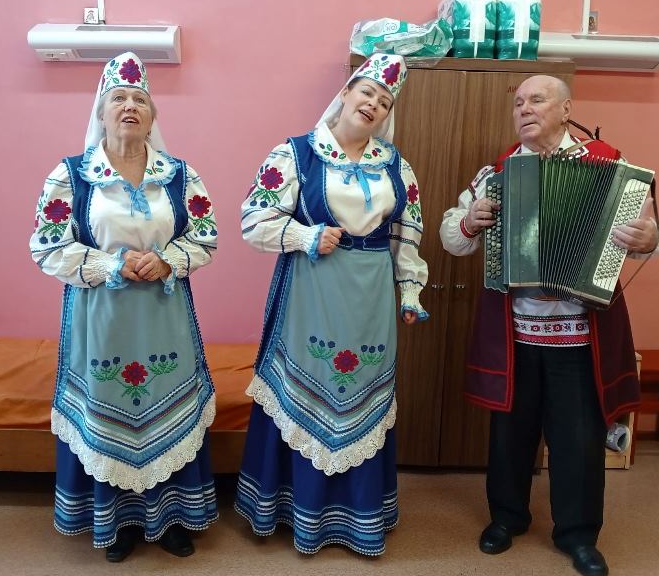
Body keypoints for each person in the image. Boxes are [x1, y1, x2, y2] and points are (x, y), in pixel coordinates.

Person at [440, 75, 659, 576]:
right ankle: (507, 518)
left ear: (566, 109)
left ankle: (579, 535)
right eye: (518, 102)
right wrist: (469, 220)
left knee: (579, 437)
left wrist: (650, 237)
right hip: (515, 332)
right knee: (510, 433)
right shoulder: (496, 174)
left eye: (537, 99)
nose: (524, 109)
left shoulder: (609, 165)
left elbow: (650, 237)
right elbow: (452, 238)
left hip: (580, 334)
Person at [235, 54, 429, 555]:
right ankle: (293, 510)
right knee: (306, 384)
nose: (374, 104)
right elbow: (254, 220)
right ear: (345, 94)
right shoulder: (295, 153)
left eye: (384, 101)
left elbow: (407, 235)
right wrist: (305, 235)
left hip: (370, 297)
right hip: (311, 289)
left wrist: (410, 290)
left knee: (361, 389)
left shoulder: (397, 166)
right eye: (367, 92)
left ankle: (359, 515)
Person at [29, 52, 219, 562]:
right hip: (101, 318)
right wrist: (112, 265)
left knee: (166, 406)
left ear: (153, 116)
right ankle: (118, 523)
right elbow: (47, 246)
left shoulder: (180, 176)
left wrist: (167, 260)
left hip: (164, 314)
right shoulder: (70, 176)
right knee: (109, 411)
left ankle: (170, 520)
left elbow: (205, 237)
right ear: (101, 111)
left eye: (140, 99)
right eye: (118, 98)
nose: (130, 106)